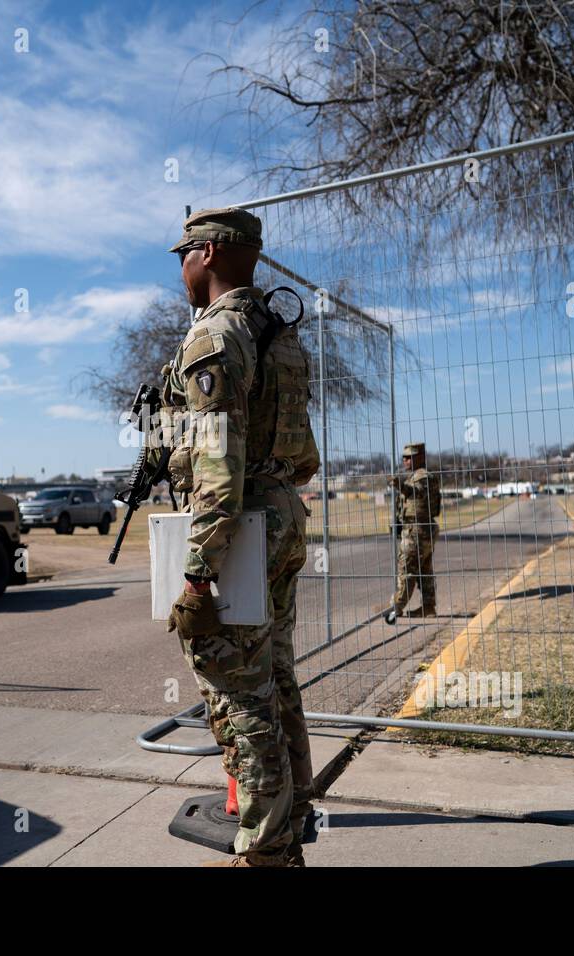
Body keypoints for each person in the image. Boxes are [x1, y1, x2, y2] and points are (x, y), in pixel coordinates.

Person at [162, 207, 321, 867]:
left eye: (183, 255)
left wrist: (198, 572)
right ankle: (291, 821)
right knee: (275, 679)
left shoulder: (215, 337)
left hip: (243, 528)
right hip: (281, 512)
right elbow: (302, 454)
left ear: (207, 254)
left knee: (237, 693)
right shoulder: (277, 333)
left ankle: (266, 852)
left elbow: (217, 466)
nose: (180, 269)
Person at [383, 443, 441, 624]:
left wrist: (398, 484)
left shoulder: (422, 477)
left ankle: (396, 607)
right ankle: (428, 606)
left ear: (420, 457)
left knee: (407, 568)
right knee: (424, 569)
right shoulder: (416, 476)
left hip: (417, 530)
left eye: (409, 457)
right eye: (404, 457)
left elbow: (416, 493)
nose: (405, 460)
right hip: (420, 529)